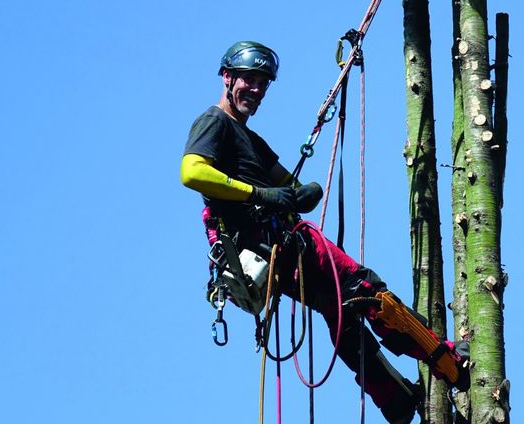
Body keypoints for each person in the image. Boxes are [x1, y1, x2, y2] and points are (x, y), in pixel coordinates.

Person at [181, 41, 466, 424]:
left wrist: (302, 192)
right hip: (277, 246)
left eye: (263, 83)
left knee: (343, 316)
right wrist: (259, 193)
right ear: (227, 77)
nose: (256, 90)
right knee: (365, 289)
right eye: (249, 80)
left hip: (280, 251)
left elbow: (289, 186)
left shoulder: (252, 142)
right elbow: (192, 171)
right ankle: (445, 357)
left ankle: (394, 400)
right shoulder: (214, 122)